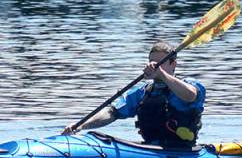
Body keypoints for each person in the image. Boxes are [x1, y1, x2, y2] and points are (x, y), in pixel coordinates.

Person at [61, 42, 206, 148]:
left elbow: (190, 96)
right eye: (152, 62)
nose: (154, 66)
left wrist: (161, 74)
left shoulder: (191, 85)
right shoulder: (142, 92)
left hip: (182, 151)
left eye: (159, 63)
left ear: (173, 64)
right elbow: (112, 112)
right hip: (149, 148)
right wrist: (81, 125)